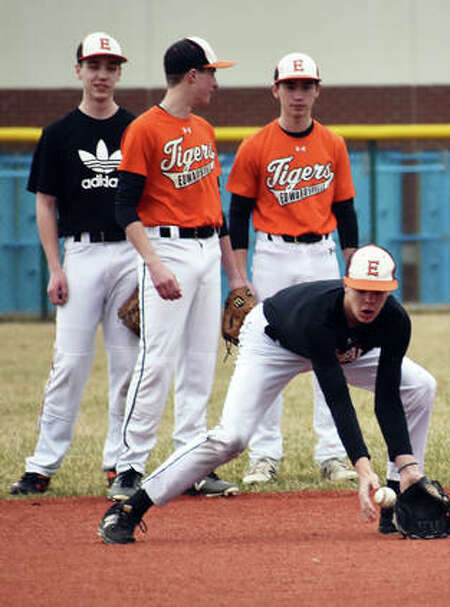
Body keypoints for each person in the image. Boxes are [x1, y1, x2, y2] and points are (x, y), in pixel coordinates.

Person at [97, 245, 437, 543]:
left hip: (347, 350)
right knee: (232, 437)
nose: (369, 300)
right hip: (273, 342)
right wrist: (363, 469)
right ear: (346, 284)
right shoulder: (320, 315)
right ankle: (131, 507)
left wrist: (405, 463)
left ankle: (401, 491)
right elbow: (336, 397)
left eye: (378, 293)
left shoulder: (394, 321)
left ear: (390, 292)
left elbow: (388, 398)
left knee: (420, 386)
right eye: (361, 290)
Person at [106, 36, 248, 500]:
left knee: (200, 362)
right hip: (166, 249)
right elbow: (124, 206)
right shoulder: (145, 129)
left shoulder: (204, 131)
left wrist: (235, 274)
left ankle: (189, 464)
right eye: (211, 73)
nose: (215, 83)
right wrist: (153, 263)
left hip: (207, 251)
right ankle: (128, 467)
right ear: (192, 75)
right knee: (157, 360)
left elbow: (217, 210)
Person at [10, 33, 137, 495]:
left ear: (120, 72)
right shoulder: (58, 134)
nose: (102, 74)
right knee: (68, 364)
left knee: (129, 366)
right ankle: (42, 464)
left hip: (128, 251)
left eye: (110, 66)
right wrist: (54, 267)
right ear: (78, 70)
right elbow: (46, 204)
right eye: (94, 65)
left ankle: (121, 463)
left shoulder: (136, 129)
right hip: (80, 253)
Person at [226, 52, 360, 485]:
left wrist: (352, 259)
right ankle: (264, 454)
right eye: (290, 86)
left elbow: (346, 207)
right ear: (276, 90)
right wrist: (241, 276)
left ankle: (334, 453)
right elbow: (238, 213)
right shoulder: (257, 145)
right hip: (273, 255)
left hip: (322, 253)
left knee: (333, 351)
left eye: (306, 86)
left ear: (317, 90)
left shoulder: (333, 143)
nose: (298, 94)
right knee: (267, 352)